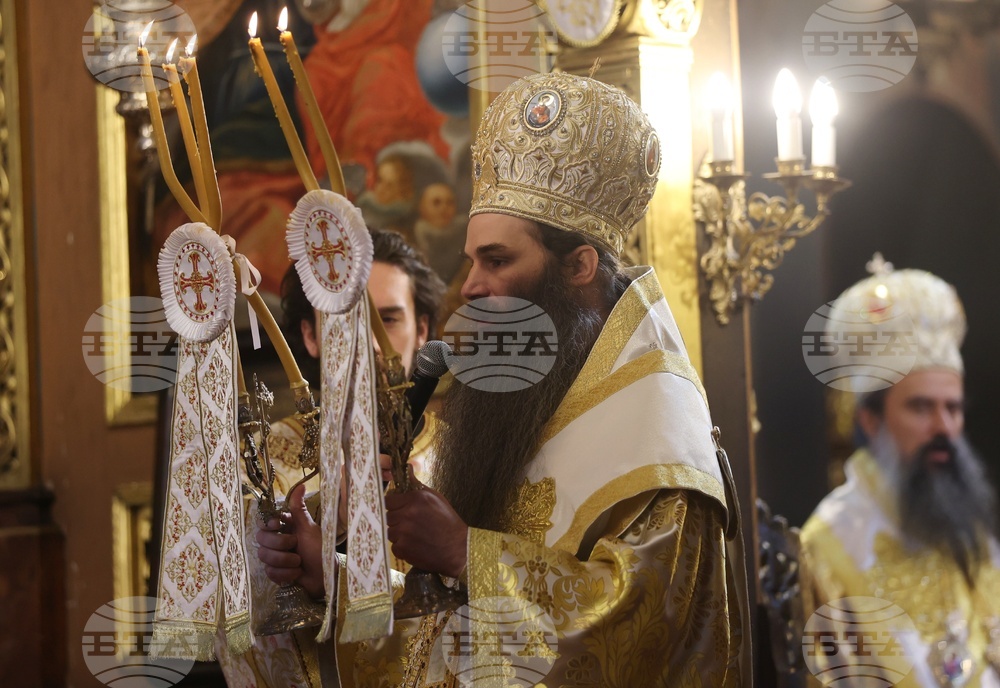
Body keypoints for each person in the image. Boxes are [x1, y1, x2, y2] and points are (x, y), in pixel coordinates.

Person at [258, 72, 749, 687]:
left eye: (497, 260)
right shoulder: (524, 398)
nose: (469, 286)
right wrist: (332, 582)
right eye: (471, 261)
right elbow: (447, 641)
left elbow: (641, 634)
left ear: (578, 267)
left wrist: (467, 552)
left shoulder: (655, 435)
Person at [216, 229, 446, 687]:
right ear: (310, 335)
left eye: (388, 320)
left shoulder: (463, 457)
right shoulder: (255, 458)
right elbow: (227, 597)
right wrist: (329, 521)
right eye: (345, 322)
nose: (372, 345)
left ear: (422, 331)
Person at [800, 263, 1000, 687]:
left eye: (953, 408)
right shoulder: (830, 546)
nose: (944, 427)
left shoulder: (968, 527)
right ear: (871, 420)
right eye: (921, 407)